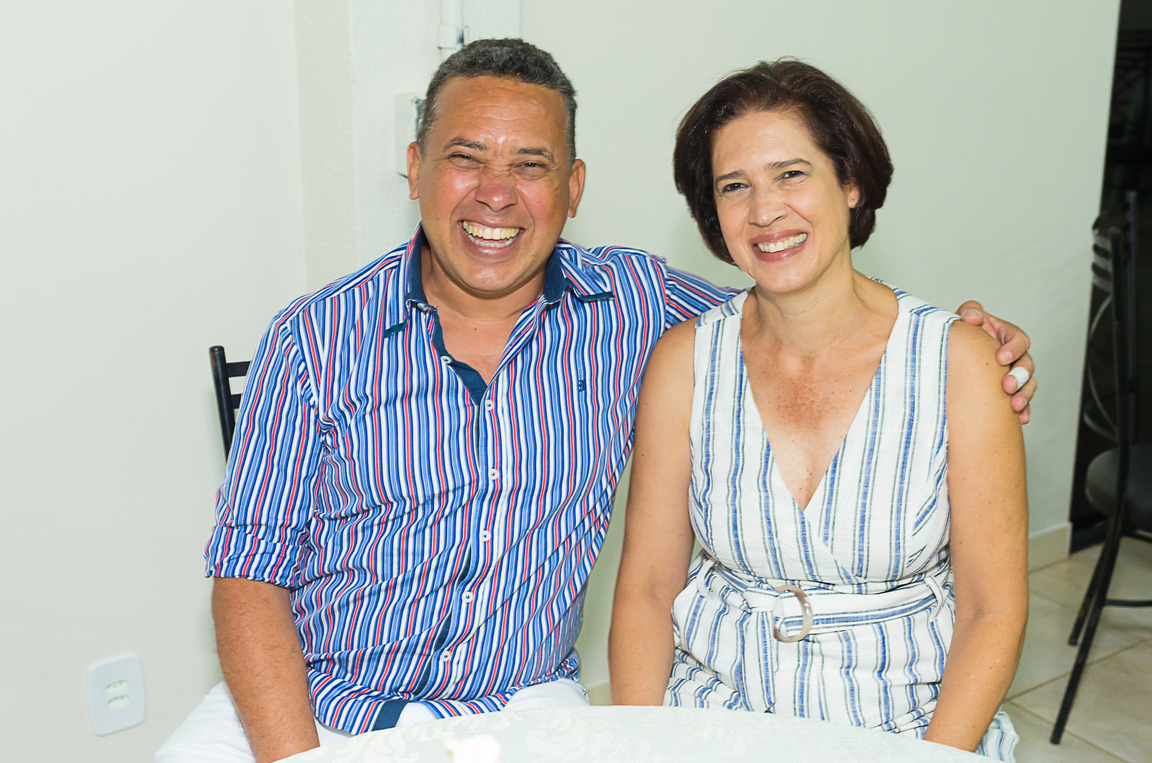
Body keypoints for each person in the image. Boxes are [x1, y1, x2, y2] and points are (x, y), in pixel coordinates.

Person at [158, 40, 1035, 763]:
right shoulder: (311, 339)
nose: (496, 193)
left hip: (519, 707)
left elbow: (795, 312)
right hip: (320, 700)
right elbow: (248, 576)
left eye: (530, 165)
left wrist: (978, 346)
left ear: (573, 189)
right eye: (466, 157)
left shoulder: (636, 308)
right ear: (416, 168)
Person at [608, 60, 1028, 761]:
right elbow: (648, 589)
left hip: (909, 730)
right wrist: (639, 748)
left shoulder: (959, 364)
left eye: (791, 174)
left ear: (851, 181)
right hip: (713, 722)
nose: (764, 211)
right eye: (734, 186)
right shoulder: (685, 362)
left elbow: (993, 611)